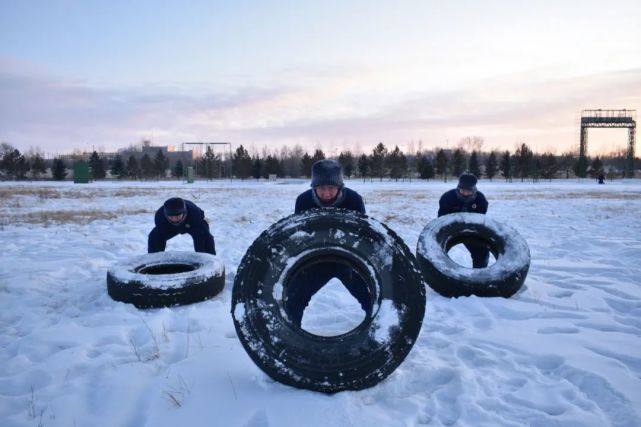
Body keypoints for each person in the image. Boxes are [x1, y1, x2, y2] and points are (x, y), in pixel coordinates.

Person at [287, 159, 369, 327]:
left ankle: (379, 334)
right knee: (294, 299)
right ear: (313, 187)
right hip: (315, 260)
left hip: (348, 260)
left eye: (331, 188)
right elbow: (300, 236)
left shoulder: (353, 201)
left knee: (371, 297)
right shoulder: (303, 201)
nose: (326, 193)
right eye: (321, 188)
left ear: (340, 187)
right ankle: (291, 336)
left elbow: (362, 235)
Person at [438, 172, 489, 268]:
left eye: (469, 191)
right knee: (437, 253)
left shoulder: (480, 200)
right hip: (449, 229)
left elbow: (480, 218)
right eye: (462, 190)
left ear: (474, 190)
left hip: (470, 230)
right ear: (458, 188)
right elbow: (441, 219)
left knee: (482, 253)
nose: (465, 193)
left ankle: (478, 277)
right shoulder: (448, 197)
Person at [148, 197, 216, 255]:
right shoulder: (159, 217)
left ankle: (209, 261)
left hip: (192, 224)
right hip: (169, 227)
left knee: (205, 236)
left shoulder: (195, 213)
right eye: (171, 217)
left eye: (177, 216)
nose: (174, 219)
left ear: (184, 212)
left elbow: (200, 229)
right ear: (165, 214)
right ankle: (154, 262)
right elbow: (159, 235)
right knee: (154, 236)